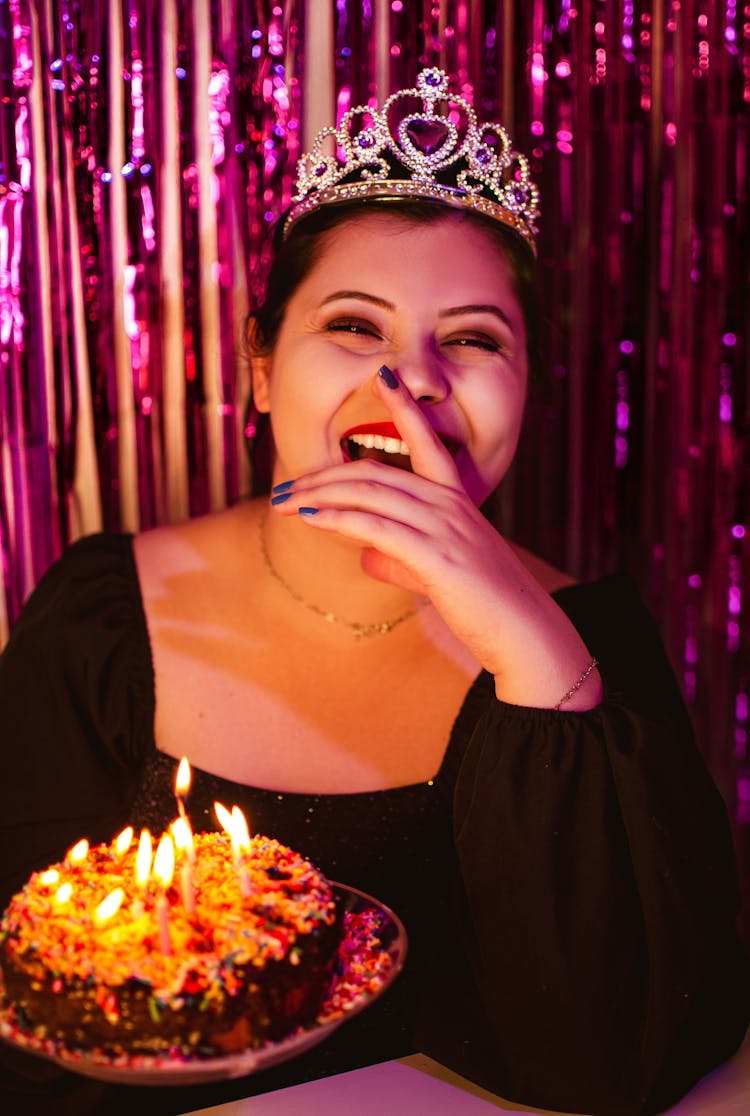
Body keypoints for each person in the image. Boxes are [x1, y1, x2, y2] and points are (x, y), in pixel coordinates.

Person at [0, 68, 747, 1116]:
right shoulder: (99, 616)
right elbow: (26, 1031)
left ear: (527, 388)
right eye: (356, 325)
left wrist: (537, 662)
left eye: (475, 339)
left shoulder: (595, 648)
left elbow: (611, 1067)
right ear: (262, 369)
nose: (414, 380)